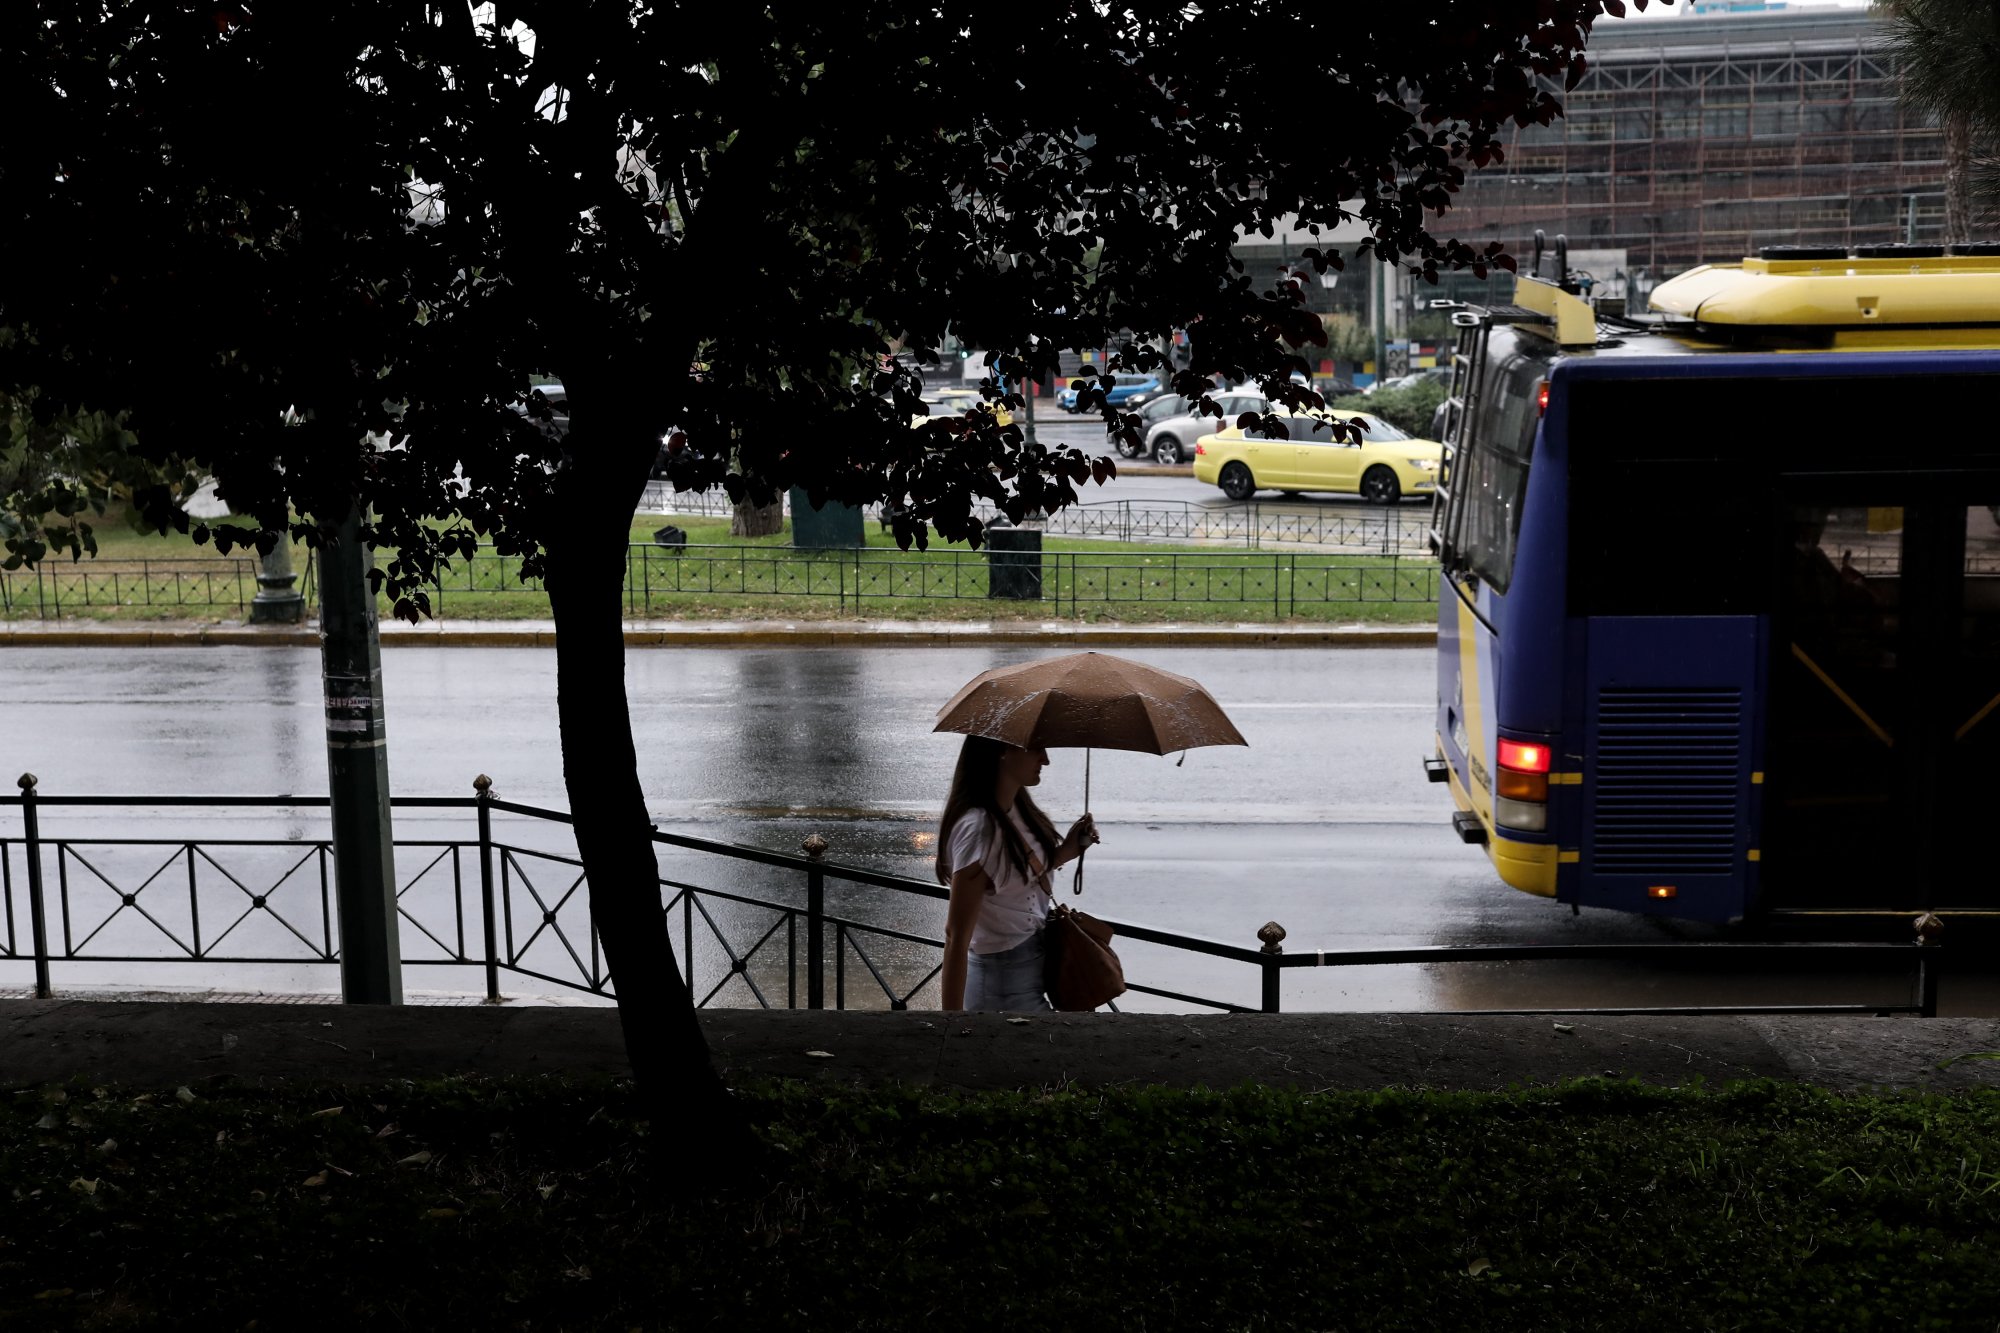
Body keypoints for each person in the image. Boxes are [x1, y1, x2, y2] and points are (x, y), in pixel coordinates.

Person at [935, 736, 1099, 1012]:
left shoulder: (1018, 809)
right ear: (1002, 751)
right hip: (1000, 986)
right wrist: (950, 1026)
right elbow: (956, 936)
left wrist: (1066, 852)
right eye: (1035, 748)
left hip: (1032, 970)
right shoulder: (978, 831)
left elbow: (1015, 877)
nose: (1045, 759)